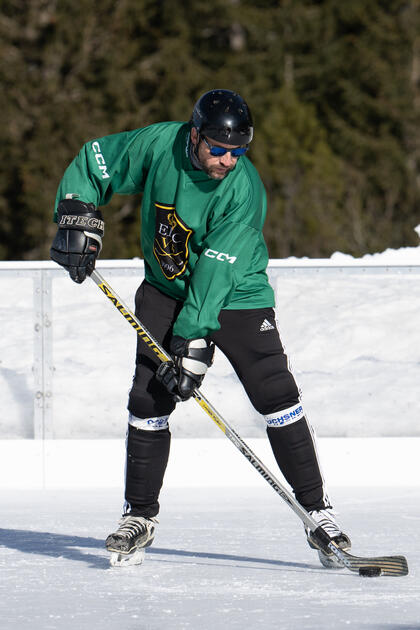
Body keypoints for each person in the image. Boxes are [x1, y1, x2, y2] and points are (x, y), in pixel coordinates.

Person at [50, 89, 350, 568]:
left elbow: (214, 274)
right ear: (195, 135)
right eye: (218, 148)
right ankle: (139, 515)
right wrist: (76, 212)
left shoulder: (243, 190)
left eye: (239, 151)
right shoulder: (158, 145)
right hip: (165, 290)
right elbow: (96, 162)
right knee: (148, 397)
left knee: (275, 392)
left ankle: (319, 514)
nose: (228, 160)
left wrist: (194, 345)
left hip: (236, 294)